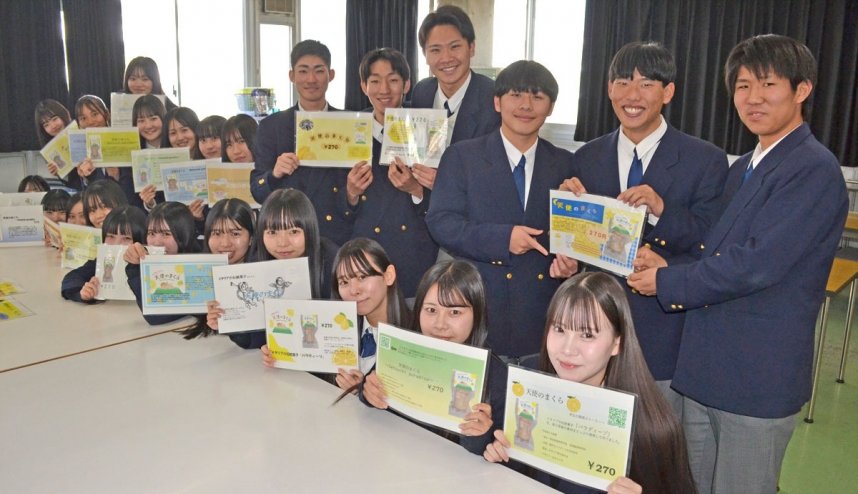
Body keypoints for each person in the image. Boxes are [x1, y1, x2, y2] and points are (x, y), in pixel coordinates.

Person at [627, 34, 849, 494]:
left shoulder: (812, 168)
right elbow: (715, 242)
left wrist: (667, 280)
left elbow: (755, 264)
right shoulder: (746, 164)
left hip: (755, 380)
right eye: (743, 86)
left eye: (768, 84)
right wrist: (665, 256)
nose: (753, 98)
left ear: (802, 90)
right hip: (704, 372)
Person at [560, 41, 728, 414]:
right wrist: (567, 238)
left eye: (646, 84)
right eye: (622, 82)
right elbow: (581, 246)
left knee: (658, 438)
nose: (632, 95)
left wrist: (661, 211)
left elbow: (711, 238)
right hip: (596, 331)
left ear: (668, 92)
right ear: (609, 89)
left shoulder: (705, 160)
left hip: (664, 333)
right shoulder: (586, 158)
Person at [484, 272, 696, 494]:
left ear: (617, 343)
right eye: (559, 329)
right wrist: (503, 457)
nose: (568, 349)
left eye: (587, 335)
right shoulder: (529, 388)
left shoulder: (651, 428)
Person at [426, 60, 577, 361]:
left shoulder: (565, 164)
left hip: (543, 316)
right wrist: (503, 239)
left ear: (550, 108)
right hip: (480, 309)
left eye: (537, 97)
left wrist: (573, 265)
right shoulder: (462, 156)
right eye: (516, 95)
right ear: (497, 102)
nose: (526, 105)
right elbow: (441, 222)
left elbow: (576, 236)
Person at [361, 260, 496, 444]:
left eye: (455, 312)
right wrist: (368, 392)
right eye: (431, 310)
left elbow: (502, 455)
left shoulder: (497, 378)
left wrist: (483, 436)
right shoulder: (403, 350)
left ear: (477, 315)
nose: (440, 324)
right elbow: (373, 399)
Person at [340, 47, 438, 298]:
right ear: (363, 86)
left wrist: (416, 190)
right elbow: (334, 207)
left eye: (393, 80)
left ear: (406, 85)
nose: (384, 89)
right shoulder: (348, 131)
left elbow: (445, 202)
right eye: (374, 81)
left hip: (412, 255)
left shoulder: (428, 130)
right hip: (364, 258)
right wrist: (351, 194)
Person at [263, 238, 409, 392]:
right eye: (344, 282)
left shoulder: (415, 333)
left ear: (388, 276)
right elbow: (315, 380)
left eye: (362, 277)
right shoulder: (334, 328)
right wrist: (281, 356)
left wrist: (362, 394)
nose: (354, 290)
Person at [250, 40, 352, 246]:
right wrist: (274, 174)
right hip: (287, 237)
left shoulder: (349, 123)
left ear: (331, 75)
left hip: (336, 236)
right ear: (292, 76)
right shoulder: (271, 126)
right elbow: (257, 191)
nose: (311, 79)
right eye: (303, 71)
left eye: (319, 71)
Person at [214, 189, 339, 349]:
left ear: (310, 230)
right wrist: (227, 321)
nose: (282, 243)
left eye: (293, 231)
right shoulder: (257, 263)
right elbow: (254, 340)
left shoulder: (332, 261)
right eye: (272, 232)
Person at [412, 4, 500, 147]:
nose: (446, 58)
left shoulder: (493, 99)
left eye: (455, 47)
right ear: (425, 55)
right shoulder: (421, 92)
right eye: (435, 50)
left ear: (471, 48)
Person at [181, 198, 255, 340]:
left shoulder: (262, 277)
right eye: (216, 233)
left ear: (251, 238)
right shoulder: (198, 274)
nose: (225, 243)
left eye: (235, 234)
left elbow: (253, 340)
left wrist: (231, 327)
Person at [123, 202, 202, 325]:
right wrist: (136, 265)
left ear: (184, 234)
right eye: (151, 233)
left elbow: (157, 316)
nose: (157, 242)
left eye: (166, 234)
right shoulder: (154, 263)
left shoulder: (200, 265)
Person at [61, 206, 147, 303]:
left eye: (126, 238)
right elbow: (71, 279)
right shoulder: (103, 261)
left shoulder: (149, 264)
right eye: (111, 236)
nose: (116, 244)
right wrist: (84, 293)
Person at [34, 99, 82, 190]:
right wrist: (59, 173)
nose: (53, 126)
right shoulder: (50, 150)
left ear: (63, 115)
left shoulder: (81, 130)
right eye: (46, 125)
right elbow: (71, 183)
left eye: (55, 119)